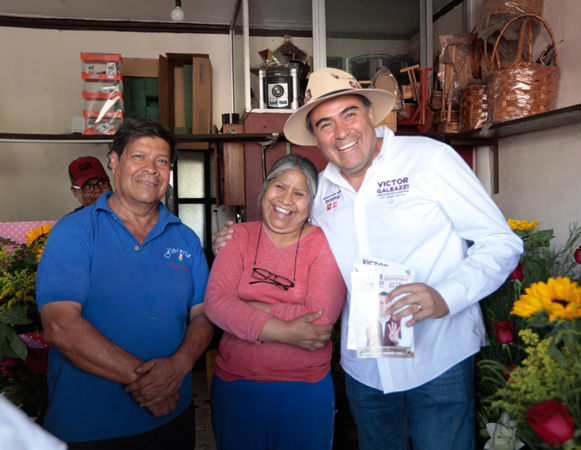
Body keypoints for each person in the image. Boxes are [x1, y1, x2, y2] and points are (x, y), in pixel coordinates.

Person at [213, 68, 524, 450]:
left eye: (349, 114)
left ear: (371, 115)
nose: (341, 131)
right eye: (325, 124)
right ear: (315, 137)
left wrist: (446, 295)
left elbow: (500, 242)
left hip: (438, 356)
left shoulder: (428, 160)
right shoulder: (320, 191)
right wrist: (230, 239)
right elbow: (292, 241)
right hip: (366, 369)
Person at [36, 118, 214, 449]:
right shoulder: (74, 232)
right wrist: (152, 384)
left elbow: (203, 314)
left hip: (173, 418)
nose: (151, 169)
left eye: (162, 161)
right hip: (91, 427)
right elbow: (60, 326)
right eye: (139, 156)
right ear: (115, 162)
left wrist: (179, 366)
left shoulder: (186, 238)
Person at [204, 153, 346, 450]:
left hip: (304, 389)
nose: (286, 199)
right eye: (279, 186)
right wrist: (287, 330)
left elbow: (319, 319)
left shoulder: (324, 243)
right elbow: (216, 303)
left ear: (311, 203)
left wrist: (246, 306)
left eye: (299, 193)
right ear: (265, 188)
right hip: (235, 385)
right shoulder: (237, 236)